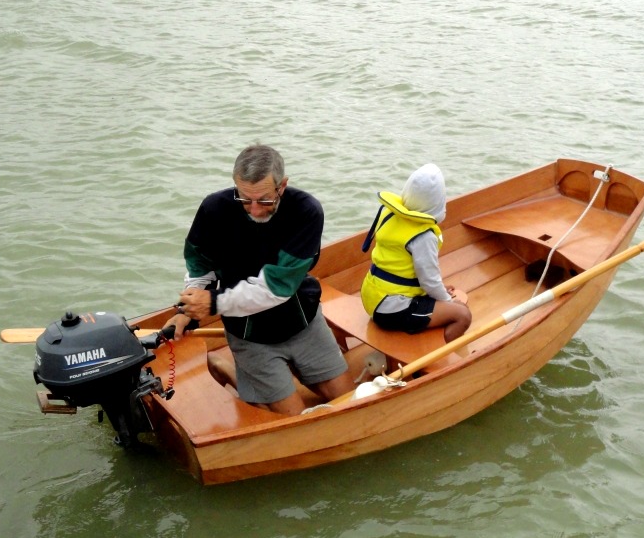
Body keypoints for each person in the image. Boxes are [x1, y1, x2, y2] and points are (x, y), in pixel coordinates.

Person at [166, 144, 354, 415]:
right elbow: (200, 268)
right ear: (235, 186)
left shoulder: (306, 211)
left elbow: (277, 288)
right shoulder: (213, 209)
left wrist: (212, 303)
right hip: (250, 335)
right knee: (292, 419)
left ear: (283, 185)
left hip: (302, 323)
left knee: (348, 401)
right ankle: (229, 368)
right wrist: (186, 310)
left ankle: (255, 378)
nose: (254, 210)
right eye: (244, 200)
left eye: (265, 200)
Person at [359, 163, 472, 342]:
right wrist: (447, 302)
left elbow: (401, 267)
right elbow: (429, 281)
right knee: (463, 314)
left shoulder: (390, 214)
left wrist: (438, 292)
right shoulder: (423, 236)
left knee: (440, 297)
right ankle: (434, 358)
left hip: (371, 297)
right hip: (391, 309)